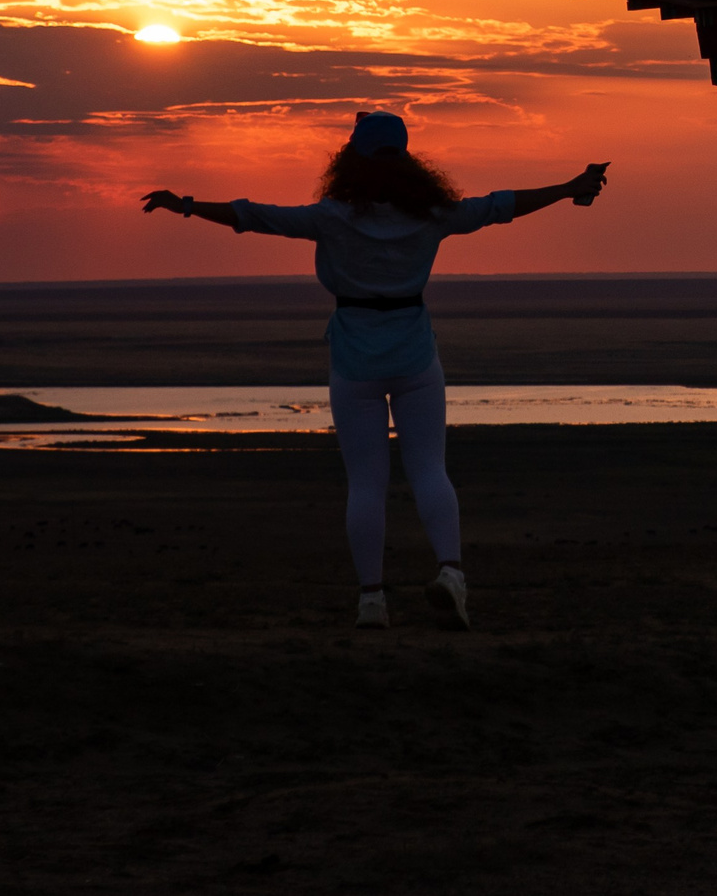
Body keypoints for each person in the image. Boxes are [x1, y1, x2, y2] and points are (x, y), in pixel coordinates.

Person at [141, 111, 607, 630]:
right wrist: (568, 188)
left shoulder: (332, 217)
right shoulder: (432, 214)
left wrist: (186, 205)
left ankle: (371, 601)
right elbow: (501, 206)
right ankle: (451, 573)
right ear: (407, 161)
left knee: (366, 483)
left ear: (352, 160)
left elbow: (252, 216)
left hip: (355, 360)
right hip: (415, 356)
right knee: (429, 469)